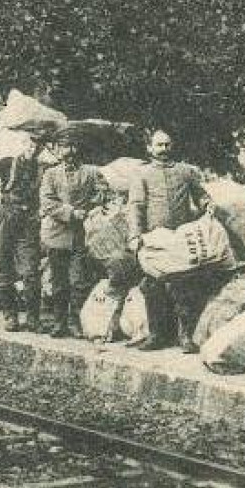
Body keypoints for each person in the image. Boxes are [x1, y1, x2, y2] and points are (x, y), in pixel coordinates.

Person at [125, 128, 214, 353]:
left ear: (172, 146)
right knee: (153, 286)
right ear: (149, 148)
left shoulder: (185, 171)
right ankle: (157, 335)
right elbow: (135, 207)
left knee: (184, 285)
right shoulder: (142, 174)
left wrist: (207, 204)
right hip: (153, 239)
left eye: (167, 145)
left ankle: (185, 336)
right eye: (159, 145)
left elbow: (201, 195)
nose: (163, 149)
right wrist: (135, 236)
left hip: (180, 237)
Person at [0, 133, 45, 332]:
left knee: (30, 271)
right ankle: (10, 316)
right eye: (30, 145)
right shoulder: (7, 163)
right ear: (22, 143)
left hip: (28, 221)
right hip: (5, 217)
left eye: (38, 147)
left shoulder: (42, 170)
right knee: (3, 267)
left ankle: (33, 318)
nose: (33, 150)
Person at [39, 134, 110, 338]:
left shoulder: (90, 172)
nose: (69, 152)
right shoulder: (50, 174)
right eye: (64, 147)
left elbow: (102, 194)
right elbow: (47, 202)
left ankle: (74, 322)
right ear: (58, 150)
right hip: (57, 233)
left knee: (78, 280)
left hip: (82, 233)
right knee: (59, 282)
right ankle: (59, 322)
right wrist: (70, 212)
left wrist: (90, 208)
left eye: (73, 147)